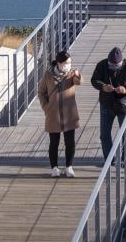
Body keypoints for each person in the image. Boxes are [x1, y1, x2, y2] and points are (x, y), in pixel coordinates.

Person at [91, 47, 126, 160]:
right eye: (111, 65)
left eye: (116, 65)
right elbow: (94, 80)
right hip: (106, 104)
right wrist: (103, 86)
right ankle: (109, 159)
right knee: (104, 135)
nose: (113, 67)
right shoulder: (102, 65)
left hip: (123, 104)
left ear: (121, 61)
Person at [38, 50, 82, 178]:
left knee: (70, 142)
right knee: (54, 142)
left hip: (69, 114)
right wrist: (46, 107)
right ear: (58, 63)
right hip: (53, 114)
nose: (68, 65)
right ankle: (54, 168)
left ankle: (69, 166)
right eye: (66, 63)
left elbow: (79, 82)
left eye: (69, 63)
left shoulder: (71, 73)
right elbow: (41, 92)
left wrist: (78, 75)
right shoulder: (48, 75)